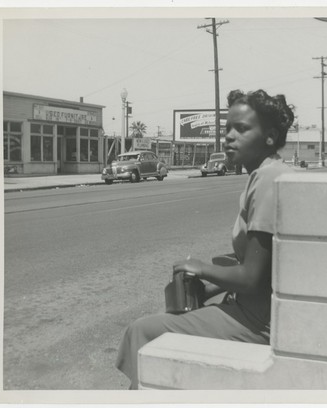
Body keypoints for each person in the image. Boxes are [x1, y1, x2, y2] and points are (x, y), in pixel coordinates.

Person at [116, 89, 295, 389]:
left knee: (144, 331)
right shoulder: (267, 173)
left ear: (270, 135)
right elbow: (262, 267)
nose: (229, 137)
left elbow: (252, 278)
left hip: (256, 321)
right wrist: (211, 286)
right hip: (256, 309)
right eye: (227, 128)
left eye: (242, 128)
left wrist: (200, 268)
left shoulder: (268, 179)